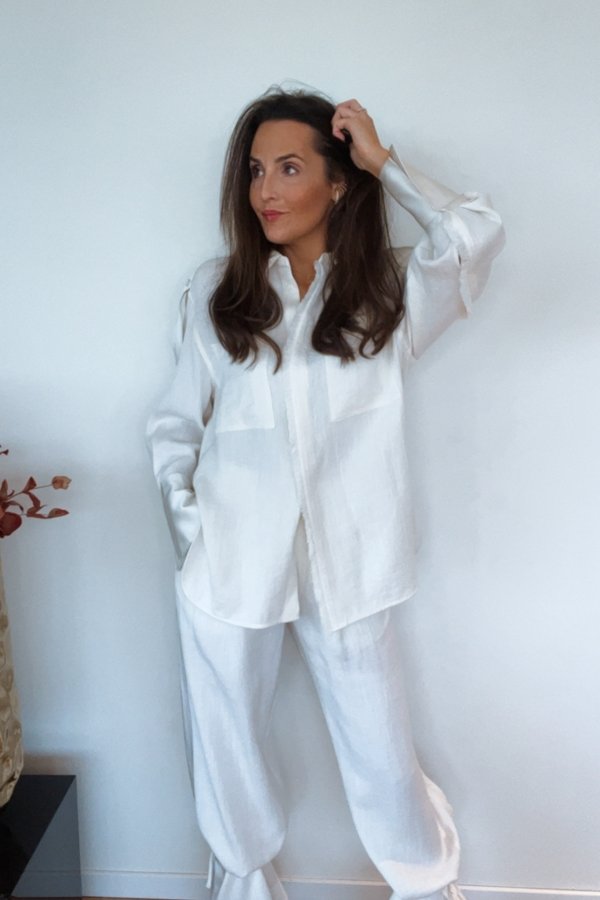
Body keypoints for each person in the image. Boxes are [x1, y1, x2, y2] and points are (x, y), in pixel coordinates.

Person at [145, 86, 505, 900]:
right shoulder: (216, 294)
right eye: (254, 171)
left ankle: (425, 881)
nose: (264, 191)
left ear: (338, 183)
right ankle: (244, 884)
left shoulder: (388, 291)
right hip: (228, 560)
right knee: (227, 742)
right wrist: (194, 533)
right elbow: (173, 426)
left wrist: (385, 162)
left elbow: (476, 237)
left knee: (380, 748)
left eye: (289, 168)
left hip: (353, 559)